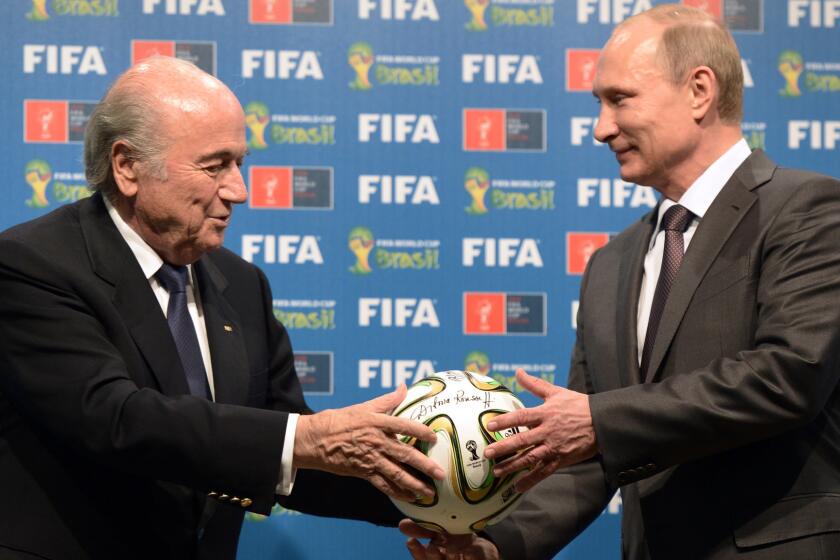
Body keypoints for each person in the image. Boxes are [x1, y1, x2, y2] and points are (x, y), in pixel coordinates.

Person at [402, 4, 840, 559]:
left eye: (620, 99)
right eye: (598, 104)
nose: (600, 127)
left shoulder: (806, 209)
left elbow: (788, 375)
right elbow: (584, 455)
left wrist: (598, 420)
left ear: (699, 91)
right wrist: (495, 547)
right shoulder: (610, 264)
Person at [0, 56, 445, 559]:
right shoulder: (31, 265)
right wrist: (303, 437)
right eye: (214, 167)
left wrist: (442, 498)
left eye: (239, 163)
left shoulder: (241, 283)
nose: (239, 190)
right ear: (127, 167)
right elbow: (115, 419)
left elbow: (290, 458)